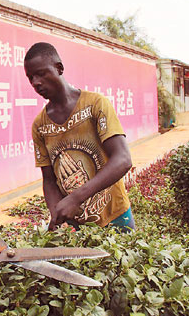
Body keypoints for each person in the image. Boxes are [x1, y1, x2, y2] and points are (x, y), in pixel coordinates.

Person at [24, 42, 134, 232]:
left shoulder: (95, 104)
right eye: (30, 77)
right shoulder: (40, 125)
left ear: (59, 68)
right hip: (77, 226)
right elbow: (49, 180)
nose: (36, 82)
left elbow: (123, 160)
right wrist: (57, 215)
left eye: (41, 73)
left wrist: (75, 197)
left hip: (116, 217)